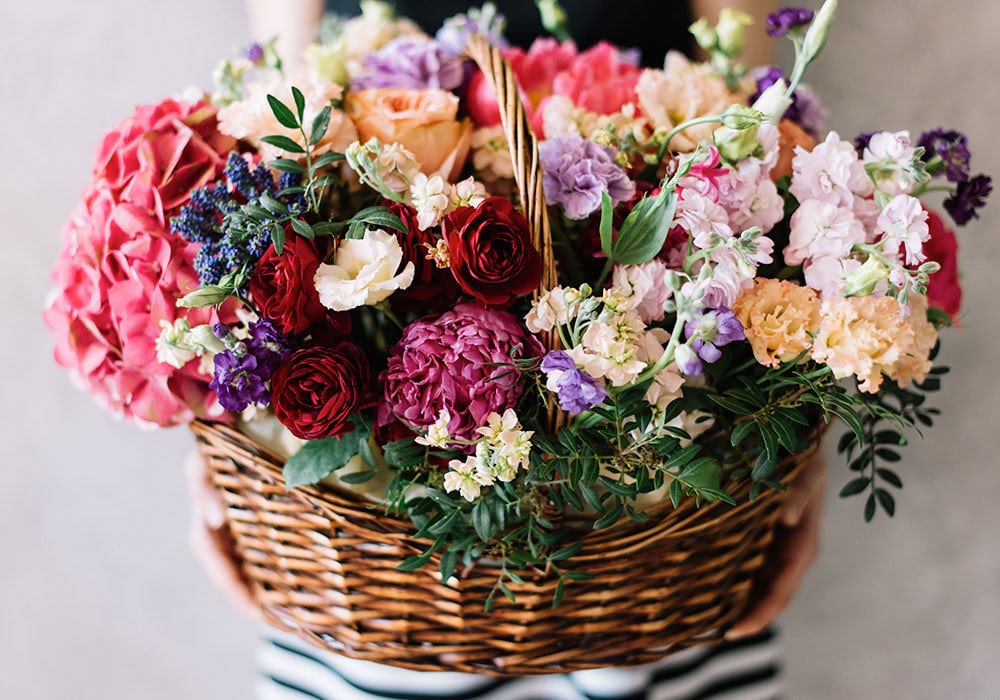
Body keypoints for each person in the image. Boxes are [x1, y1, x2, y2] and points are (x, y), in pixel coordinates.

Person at [192, 1, 827, 697]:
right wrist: (217, 444)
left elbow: (750, 118)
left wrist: (796, 448)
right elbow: (280, 105)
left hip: (653, 538)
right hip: (376, 574)